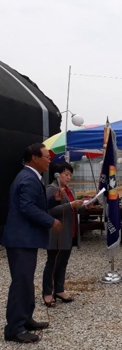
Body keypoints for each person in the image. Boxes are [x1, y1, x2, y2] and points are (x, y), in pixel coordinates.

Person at [3, 143, 63, 344]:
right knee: (21, 283)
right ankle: (14, 329)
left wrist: (53, 200)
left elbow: (35, 204)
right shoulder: (28, 178)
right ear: (34, 158)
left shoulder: (31, 177)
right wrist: (50, 221)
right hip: (21, 239)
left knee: (26, 281)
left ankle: (25, 319)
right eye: (46, 156)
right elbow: (27, 207)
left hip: (25, 239)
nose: (49, 160)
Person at [42, 162, 85, 307]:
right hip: (57, 232)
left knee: (63, 262)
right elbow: (48, 211)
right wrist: (70, 205)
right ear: (57, 174)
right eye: (66, 174)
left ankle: (59, 289)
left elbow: (74, 210)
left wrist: (84, 205)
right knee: (53, 263)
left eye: (70, 175)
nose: (68, 177)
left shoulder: (70, 190)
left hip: (69, 231)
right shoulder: (51, 189)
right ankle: (47, 292)